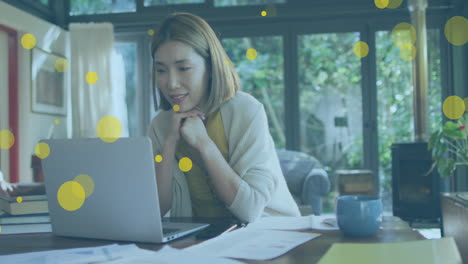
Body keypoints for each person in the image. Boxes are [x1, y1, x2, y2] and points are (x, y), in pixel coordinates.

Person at [147, 12, 300, 223]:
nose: (171, 83)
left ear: (210, 67)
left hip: (268, 234)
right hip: (206, 243)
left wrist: (203, 143)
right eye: (161, 70)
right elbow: (157, 210)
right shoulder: (160, 126)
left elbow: (249, 210)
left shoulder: (247, 110)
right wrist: (169, 143)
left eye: (183, 68)